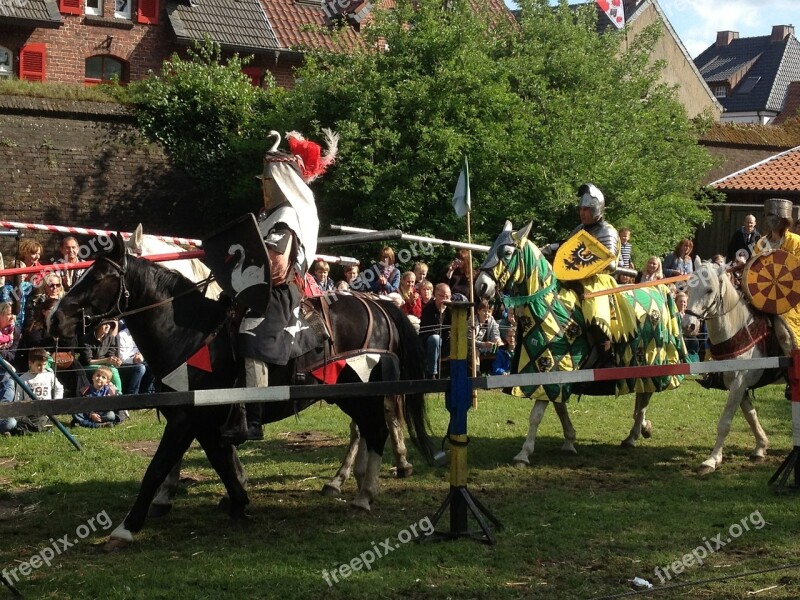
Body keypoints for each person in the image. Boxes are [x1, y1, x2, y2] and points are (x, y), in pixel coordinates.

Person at [222, 130, 336, 443]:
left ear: (284, 182)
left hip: (279, 290)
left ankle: (254, 417)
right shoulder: (266, 215)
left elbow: (276, 266)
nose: (264, 185)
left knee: (251, 334)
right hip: (252, 288)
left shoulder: (285, 218)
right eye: (263, 179)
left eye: (269, 180)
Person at [753, 198, 800, 355]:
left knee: (785, 332)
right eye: (768, 215)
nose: (771, 219)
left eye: (775, 216)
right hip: (762, 295)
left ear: (784, 219)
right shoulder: (761, 243)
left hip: (790, 299)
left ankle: (793, 369)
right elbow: (753, 269)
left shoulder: (795, 241)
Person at [14, 347, 64, 433]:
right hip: (30, 412)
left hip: (46, 410)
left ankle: (34, 428)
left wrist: (56, 401)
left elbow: (59, 388)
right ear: (30, 363)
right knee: (24, 422)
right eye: (39, 365)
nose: (42, 368)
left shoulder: (49, 375)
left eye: (44, 365)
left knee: (45, 420)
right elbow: (18, 398)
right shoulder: (23, 379)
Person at [80, 319, 123, 393]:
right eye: (105, 324)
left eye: (109, 324)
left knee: (114, 369)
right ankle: (118, 394)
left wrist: (115, 361)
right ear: (97, 326)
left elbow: (111, 354)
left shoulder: (111, 338)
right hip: (87, 366)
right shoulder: (86, 339)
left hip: (104, 364)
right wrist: (106, 360)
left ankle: (117, 393)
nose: (107, 326)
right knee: (112, 370)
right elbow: (88, 361)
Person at [418, 283, 452, 378]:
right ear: (436, 296)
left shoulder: (451, 309)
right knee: (435, 338)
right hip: (428, 342)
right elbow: (433, 331)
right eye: (443, 296)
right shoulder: (428, 309)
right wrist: (440, 312)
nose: (446, 299)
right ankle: (432, 373)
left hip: (446, 342)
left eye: (448, 296)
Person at [117, 320, 155, 395]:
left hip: (141, 361)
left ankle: (148, 394)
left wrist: (142, 357)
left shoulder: (143, 334)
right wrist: (134, 359)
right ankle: (133, 395)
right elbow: (122, 358)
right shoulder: (122, 335)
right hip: (126, 364)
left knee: (153, 365)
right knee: (141, 368)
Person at [674, 291, 700, 362]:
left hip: (690, 336)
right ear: (676, 303)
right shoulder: (673, 315)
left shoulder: (690, 315)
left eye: (684, 302)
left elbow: (696, 330)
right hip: (679, 337)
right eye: (680, 301)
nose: (683, 304)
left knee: (695, 341)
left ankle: (694, 363)